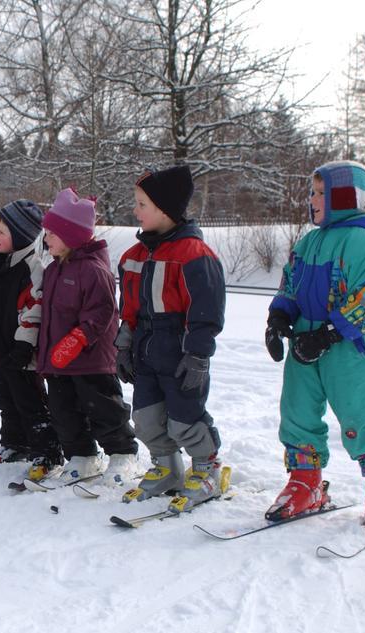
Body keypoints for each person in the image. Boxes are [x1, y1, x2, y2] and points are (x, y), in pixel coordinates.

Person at [264, 160, 365, 536]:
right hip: (302, 343)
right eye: (312, 192)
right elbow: (290, 283)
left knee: (362, 416)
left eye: (320, 193)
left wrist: (329, 332)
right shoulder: (309, 241)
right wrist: (279, 318)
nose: (311, 200)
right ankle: (305, 482)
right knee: (297, 413)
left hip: (347, 346)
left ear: (347, 197)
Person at [117, 165, 226, 512]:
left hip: (180, 350)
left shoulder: (193, 255)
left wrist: (198, 355)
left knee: (184, 417)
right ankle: (166, 468)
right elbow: (128, 309)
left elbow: (206, 313)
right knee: (146, 418)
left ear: (165, 208)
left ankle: (207, 469)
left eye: (142, 204)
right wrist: (123, 344)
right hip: (145, 350)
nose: (135, 211)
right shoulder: (132, 258)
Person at [33, 188, 138, 483]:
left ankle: (123, 454)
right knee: (63, 412)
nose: (47, 239)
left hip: (91, 360)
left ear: (72, 236)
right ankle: (82, 454)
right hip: (58, 361)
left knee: (104, 409)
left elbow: (103, 311)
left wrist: (78, 338)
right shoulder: (54, 269)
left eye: (52, 233)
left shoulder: (94, 270)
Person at [0, 200, 62, 470]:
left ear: (19, 236)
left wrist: (23, 345)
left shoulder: (33, 269)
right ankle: (14, 443)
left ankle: (46, 450)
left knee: (28, 401)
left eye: (2, 232)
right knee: (3, 397)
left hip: (21, 355)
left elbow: (34, 309)